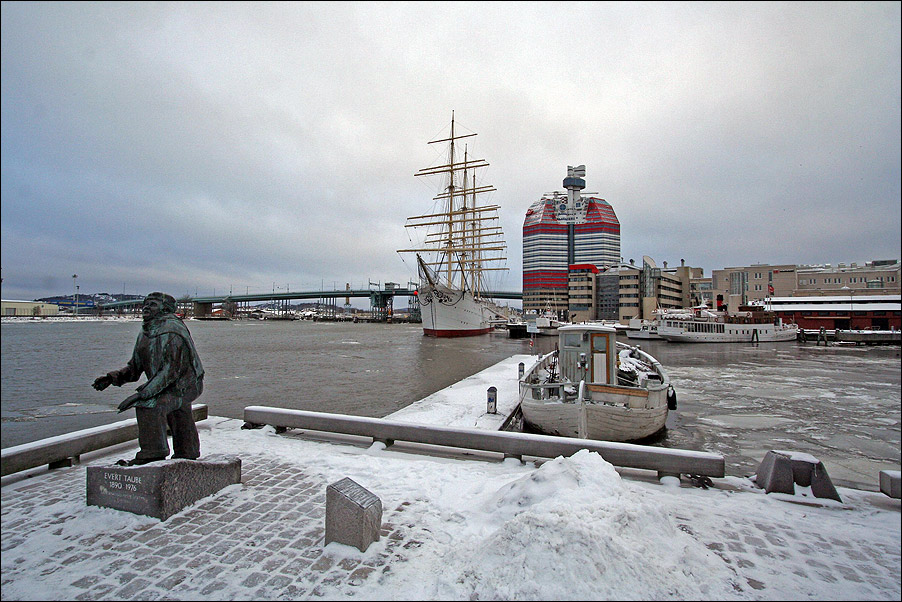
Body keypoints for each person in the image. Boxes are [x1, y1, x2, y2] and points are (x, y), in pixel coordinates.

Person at [93, 292, 204, 466]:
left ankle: (153, 454)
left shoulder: (172, 330)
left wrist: (142, 394)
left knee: (149, 407)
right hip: (167, 384)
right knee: (179, 412)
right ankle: (187, 451)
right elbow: (135, 368)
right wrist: (112, 378)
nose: (146, 307)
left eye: (152, 304)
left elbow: (170, 370)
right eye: (145, 304)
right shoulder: (146, 332)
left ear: (165, 309)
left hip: (186, 385)